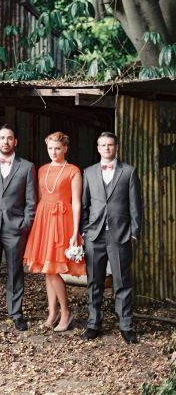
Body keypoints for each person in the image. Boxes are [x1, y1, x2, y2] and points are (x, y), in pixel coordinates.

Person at [81, 131, 142, 344]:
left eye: (110, 144)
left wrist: (133, 233)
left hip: (120, 234)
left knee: (122, 281)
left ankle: (125, 325)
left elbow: (135, 205)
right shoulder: (88, 172)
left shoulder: (129, 172)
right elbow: (84, 204)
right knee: (94, 281)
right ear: (98, 148)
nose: (107, 148)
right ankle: (93, 323)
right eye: (103, 145)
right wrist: (84, 231)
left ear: (116, 147)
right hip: (94, 235)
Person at [23, 132, 85, 332]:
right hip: (44, 220)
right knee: (47, 269)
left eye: (58, 148)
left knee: (53, 269)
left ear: (65, 148)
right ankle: (52, 313)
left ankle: (65, 313)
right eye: (50, 148)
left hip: (62, 220)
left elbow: (76, 203)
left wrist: (75, 231)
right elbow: (40, 197)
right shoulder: (42, 170)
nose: (53, 152)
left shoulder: (73, 171)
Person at [0, 124, 37, 331]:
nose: (6, 141)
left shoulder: (27, 167)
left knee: (15, 271)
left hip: (15, 227)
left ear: (15, 141)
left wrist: (26, 223)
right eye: (2, 138)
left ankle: (16, 312)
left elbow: (31, 200)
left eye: (9, 138)